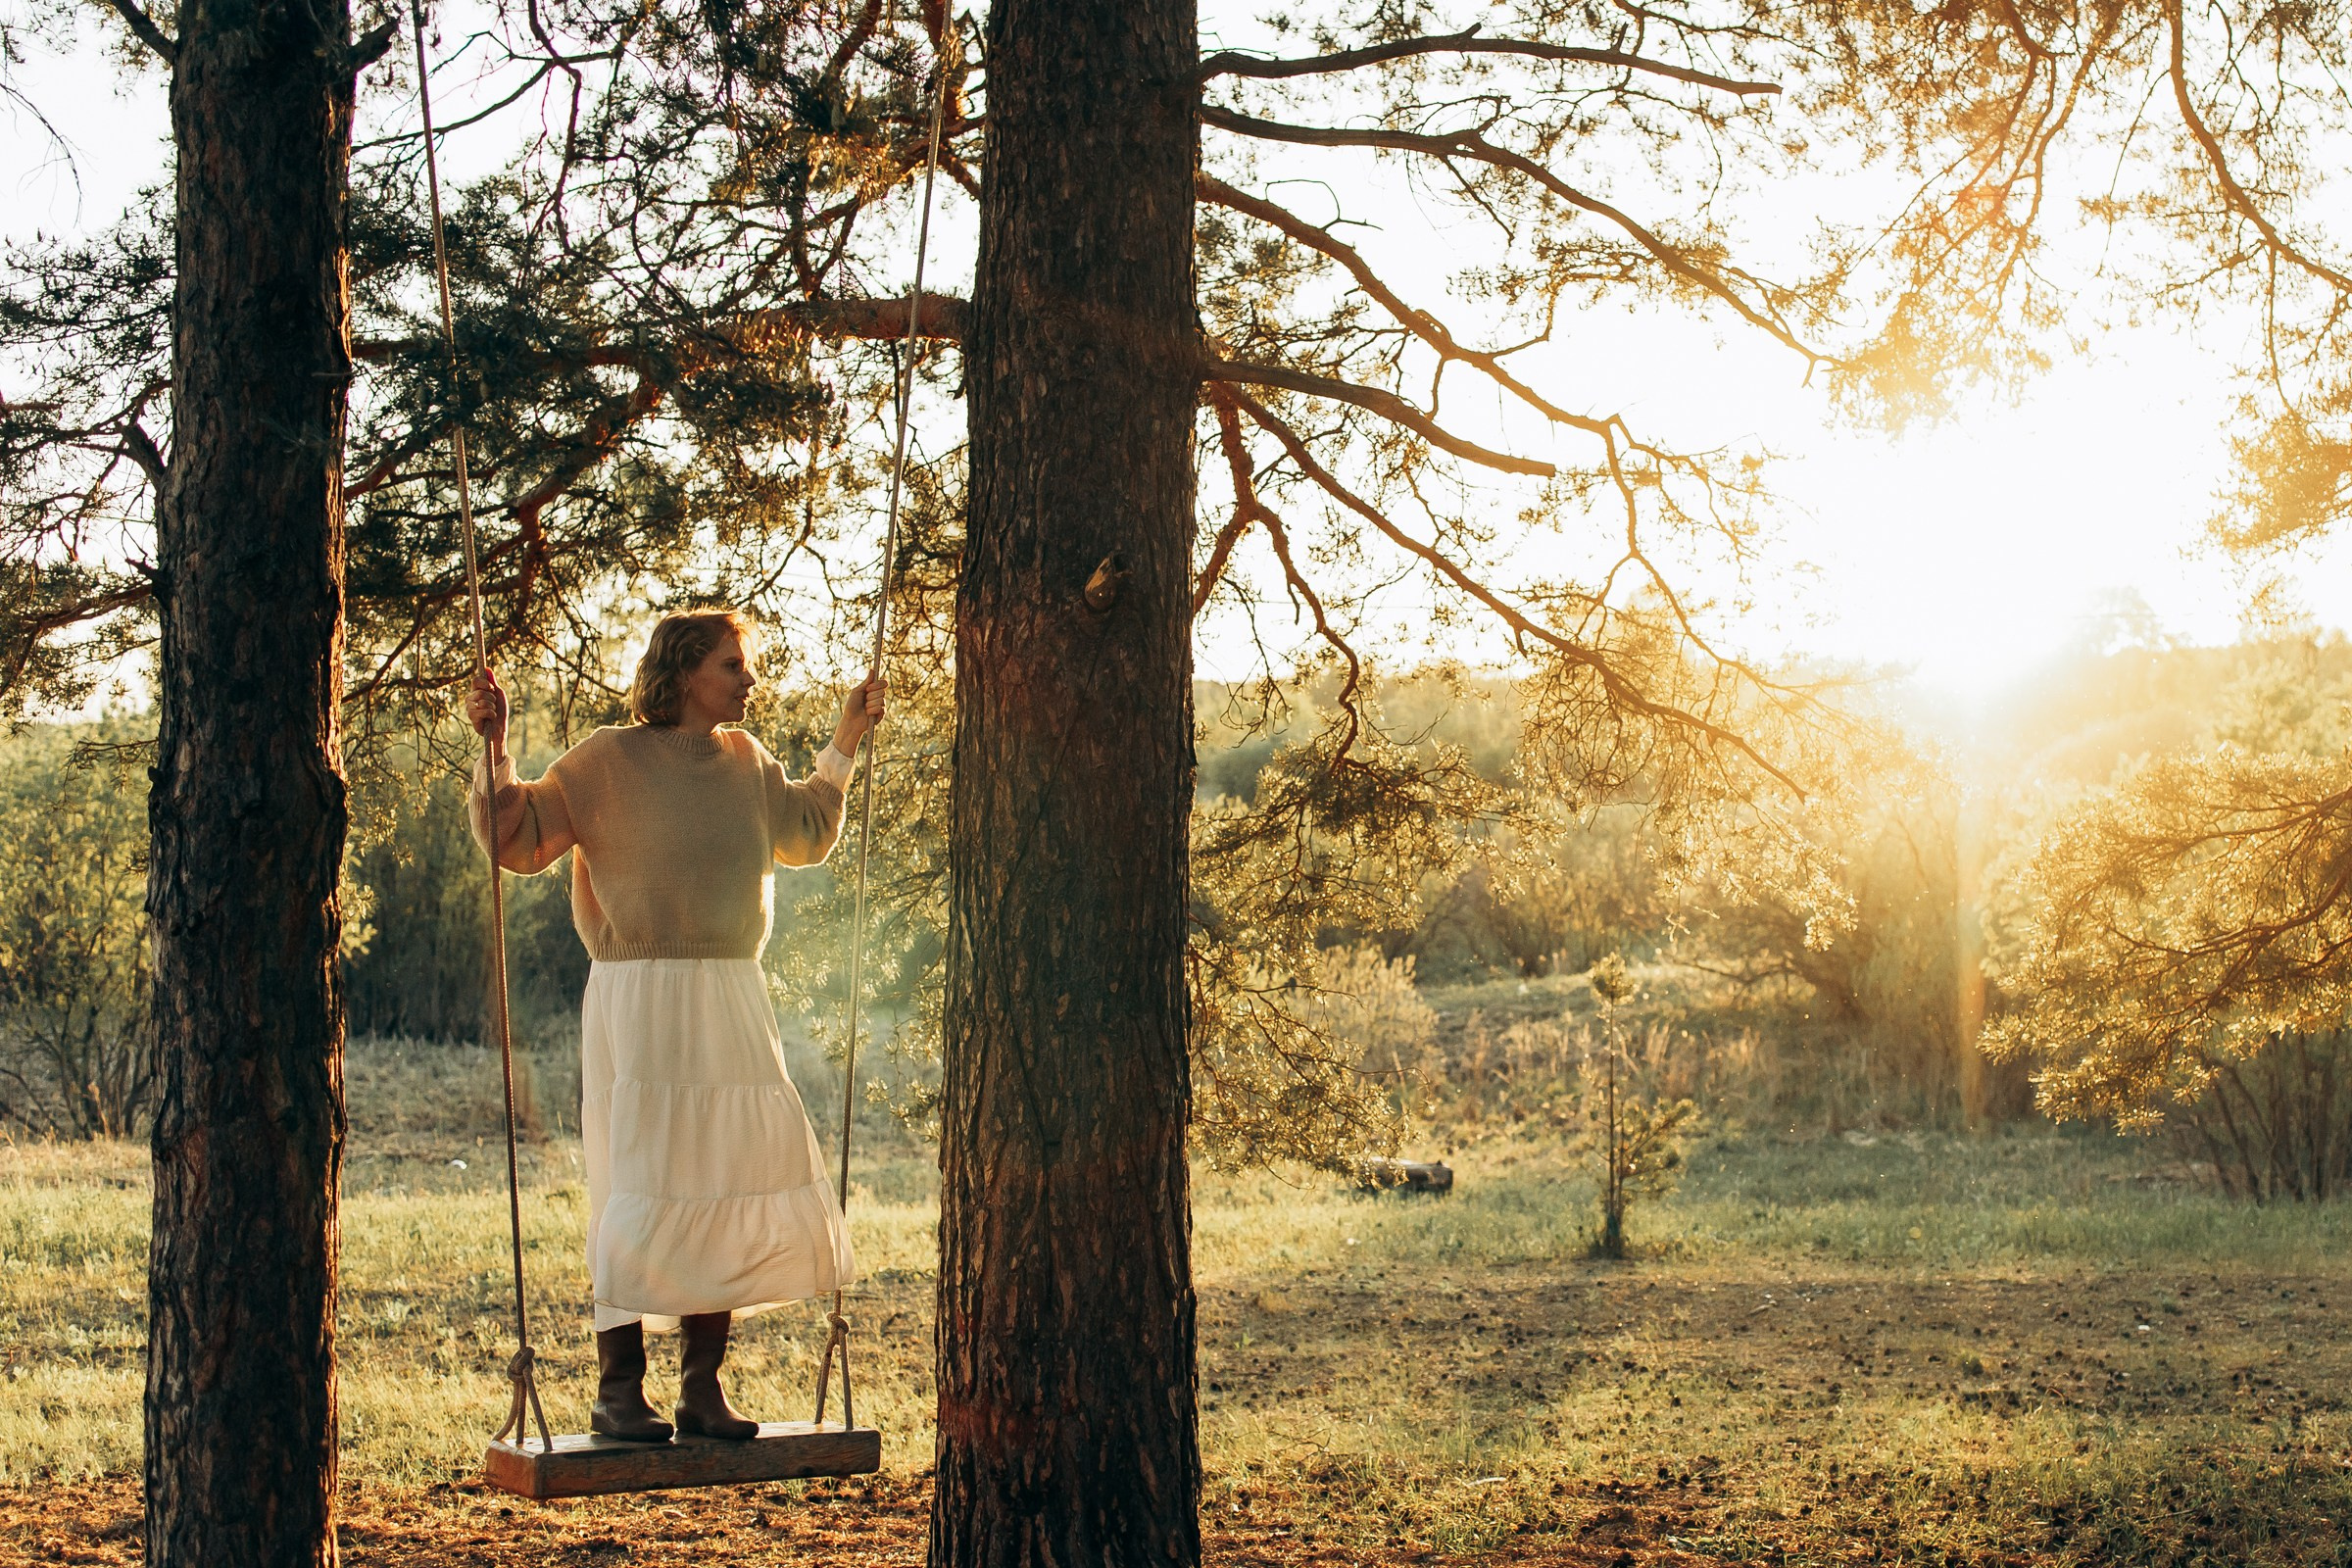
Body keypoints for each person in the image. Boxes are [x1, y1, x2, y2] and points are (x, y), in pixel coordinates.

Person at [466, 610, 885, 1443]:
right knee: (638, 1180)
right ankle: (618, 1392)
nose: (747, 679)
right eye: (733, 665)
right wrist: (496, 745)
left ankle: (702, 1389)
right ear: (687, 671)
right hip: (639, 995)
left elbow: (807, 830)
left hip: (730, 992)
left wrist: (847, 733)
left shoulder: (746, 762)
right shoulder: (605, 760)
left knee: (720, 1178)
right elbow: (511, 835)